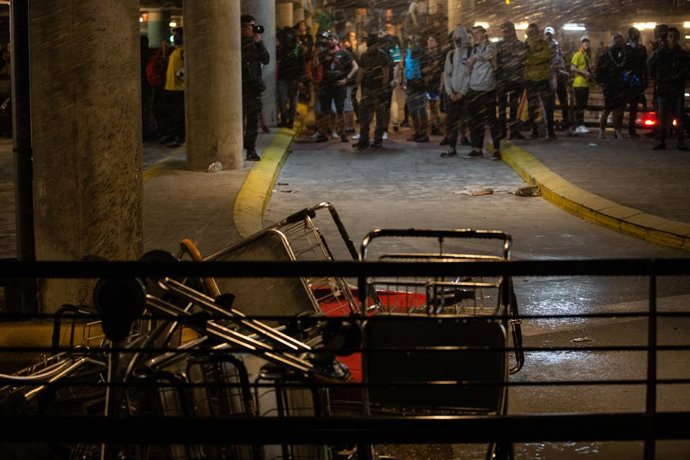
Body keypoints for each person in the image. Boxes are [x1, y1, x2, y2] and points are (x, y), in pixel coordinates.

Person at [648, 27, 688, 150]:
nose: (673, 39)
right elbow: (651, 70)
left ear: (678, 38)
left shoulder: (683, 55)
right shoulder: (660, 54)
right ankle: (662, 140)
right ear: (667, 38)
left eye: (675, 36)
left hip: (675, 88)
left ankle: (680, 141)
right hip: (665, 89)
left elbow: (687, 71)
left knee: (679, 115)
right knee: (662, 116)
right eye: (670, 36)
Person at [466, 25, 501, 160]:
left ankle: (497, 149)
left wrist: (474, 59)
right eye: (473, 34)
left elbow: (489, 55)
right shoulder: (473, 49)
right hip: (474, 88)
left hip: (487, 89)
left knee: (491, 120)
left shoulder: (490, 47)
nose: (474, 37)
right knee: (475, 121)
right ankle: (477, 148)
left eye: (477, 34)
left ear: (484, 35)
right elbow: (468, 67)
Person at [316, 32, 358, 143]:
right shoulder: (323, 54)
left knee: (340, 110)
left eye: (333, 39)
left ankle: (342, 133)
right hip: (326, 86)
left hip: (339, 86)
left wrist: (346, 79)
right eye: (329, 39)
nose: (330, 41)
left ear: (337, 41)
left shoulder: (344, 53)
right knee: (325, 111)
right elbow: (316, 67)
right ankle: (324, 133)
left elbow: (355, 67)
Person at [353, 32, 391, 151]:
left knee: (379, 116)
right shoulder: (365, 55)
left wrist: (384, 87)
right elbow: (361, 71)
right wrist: (356, 85)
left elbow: (386, 72)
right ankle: (364, 140)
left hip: (377, 88)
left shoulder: (382, 55)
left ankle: (377, 141)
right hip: (367, 88)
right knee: (364, 116)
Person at [241, 15, 270, 161]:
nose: (252, 29)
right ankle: (236, 148)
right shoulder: (236, 43)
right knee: (238, 121)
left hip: (253, 88)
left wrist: (259, 43)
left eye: (253, 26)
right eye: (248, 27)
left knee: (253, 120)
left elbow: (266, 59)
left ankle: (250, 149)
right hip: (239, 88)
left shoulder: (255, 43)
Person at [440, 26, 471, 157]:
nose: (458, 41)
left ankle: (471, 143)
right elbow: (447, 75)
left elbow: (470, 76)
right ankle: (452, 146)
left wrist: (462, 92)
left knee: (465, 120)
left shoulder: (470, 54)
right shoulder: (451, 55)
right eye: (456, 38)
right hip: (452, 94)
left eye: (460, 38)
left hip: (465, 94)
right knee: (451, 122)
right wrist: (450, 92)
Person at [523, 23, 556, 140]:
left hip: (542, 78)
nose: (533, 34)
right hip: (531, 79)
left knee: (548, 106)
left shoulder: (544, 44)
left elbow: (545, 56)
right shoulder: (525, 45)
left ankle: (550, 131)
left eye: (534, 32)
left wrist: (532, 57)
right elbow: (524, 59)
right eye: (530, 32)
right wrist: (536, 58)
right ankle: (534, 131)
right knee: (532, 106)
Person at [496, 21, 526, 140]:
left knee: (514, 107)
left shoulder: (519, 45)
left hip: (515, 80)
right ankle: (503, 131)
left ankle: (513, 130)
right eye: (503, 31)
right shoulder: (499, 45)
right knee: (503, 108)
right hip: (504, 80)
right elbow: (496, 62)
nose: (505, 33)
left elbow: (523, 62)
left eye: (507, 31)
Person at [595, 33, 627, 139]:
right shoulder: (607, 55)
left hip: (618, 84)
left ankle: (617, 131)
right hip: (609, 84)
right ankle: (602, 131)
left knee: (617, 109)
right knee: (608, 108)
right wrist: (601, 82)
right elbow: (599, 70)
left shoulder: (621, 54)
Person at [402, 33, 433, 143]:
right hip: (411, 84)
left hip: (419, 83)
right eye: (410, 41)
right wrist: (404, 81)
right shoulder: (408, 51)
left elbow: (433, 62)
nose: (412, 43)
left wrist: (425, 72)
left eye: (414, 40)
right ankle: (417, 132)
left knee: (421, 109)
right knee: (412, 111)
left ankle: (423, 133)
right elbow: (405, 67)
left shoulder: (422, 52)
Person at [277, 26, 305, 129]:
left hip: (294, 78)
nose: (287, 37)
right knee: (282, 99)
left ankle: (291, 121)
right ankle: (284, 119)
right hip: (283, 77)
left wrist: (300, 80)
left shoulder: (298, 48)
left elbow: (302, 65)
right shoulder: (280, 48)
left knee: (293, 100)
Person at [544, 26, 571, 131]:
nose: (548, 36)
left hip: (558, 78)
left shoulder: (557, 49)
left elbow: (560, 64)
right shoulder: (546, 48)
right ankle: (550, 123)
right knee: (552, 102)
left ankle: (564, 121)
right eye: (547, 34)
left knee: (562, 100)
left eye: (549, 34)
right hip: (551, 77)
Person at [623, 27, 648, 138]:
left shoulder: (634, 49)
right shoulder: (628, 49)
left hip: (633, 79)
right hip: (630, 79)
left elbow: (644, 65)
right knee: (626, 105)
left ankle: (630, 129)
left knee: (632, 105)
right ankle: (626, 129)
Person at [164, 27, 185, 147]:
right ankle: (173, 135)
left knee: (179, 115)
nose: (176, 38)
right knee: (172, 114)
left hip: (180, 88)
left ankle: (180, 137)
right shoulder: (175, 51)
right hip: (170, 87)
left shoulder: (183, 51)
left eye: (177, 35)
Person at [570, 36, 593, 134]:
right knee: (580, 105)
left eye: (587, 41)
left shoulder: (588, 56)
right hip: (579, 83)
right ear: (581, 44)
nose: (586, 43)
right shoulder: (578, 54)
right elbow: (572, 68)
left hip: (585, 83)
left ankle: (580, 124)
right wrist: (584, 72)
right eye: (584, 42)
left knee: (582, 105)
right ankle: (579, 125)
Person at [425, 35, 445, 136]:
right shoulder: (426, 56)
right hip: (427, 84)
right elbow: (425, 70)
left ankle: (435, 125)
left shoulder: (440, 56)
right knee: (431, 106)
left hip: (435, 84)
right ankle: (433, 125)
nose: (431, 44)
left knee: (434, 106)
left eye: (432, 41)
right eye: (429, 41)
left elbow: (442, 71)